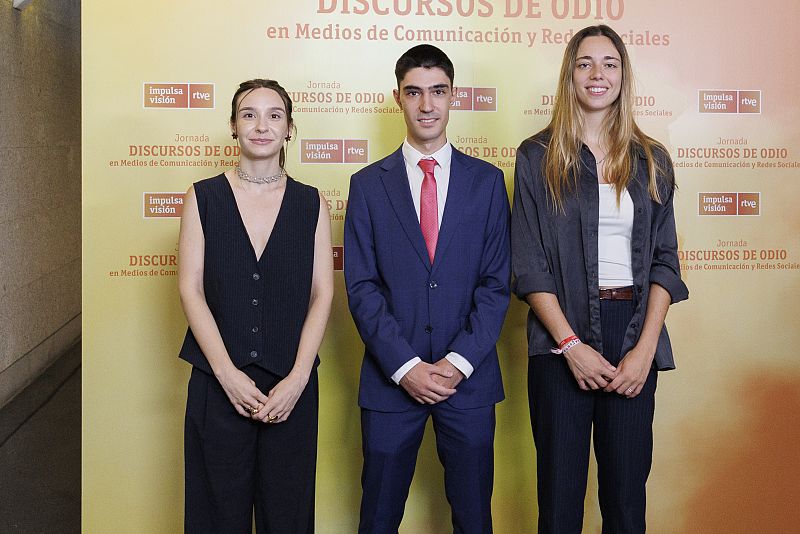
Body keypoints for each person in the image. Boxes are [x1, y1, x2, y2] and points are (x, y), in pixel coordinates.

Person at [511, 25, 688, 533]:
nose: (597, 74)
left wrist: (643, 349)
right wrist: (570, 344)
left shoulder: (651, 159)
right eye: (585, 63)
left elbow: (665, 262)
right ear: (570, 74)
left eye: (609, 63)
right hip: (559, 338)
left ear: (623, 75)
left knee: (627, 504)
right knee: (560, 505)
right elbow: (529, 265)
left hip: (633, 329)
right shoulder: (536, 156)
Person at [344, 44, 511, 533]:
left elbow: (496, 285)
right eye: (414, 92)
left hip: (470, 380)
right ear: (397, 97)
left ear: (452, 96)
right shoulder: (367, 186)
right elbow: (362, 287)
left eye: (437, 92)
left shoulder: (487, 183)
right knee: (377, 518)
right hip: (391, 381)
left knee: (474, 518)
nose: (426, 105)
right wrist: (407, 368)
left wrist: (456, 364)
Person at [177, 79, 333, 534]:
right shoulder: (202, 197)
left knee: (288, 514)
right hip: (217, 384)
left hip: (292, 385)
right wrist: (226, 375)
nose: (261, 125)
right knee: (216, 515)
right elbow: (190, 289)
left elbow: (323, 291)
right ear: (233, 126)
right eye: (249, 114)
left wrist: (299, 378)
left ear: (289, 129)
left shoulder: (311, 202)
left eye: (274, 115)